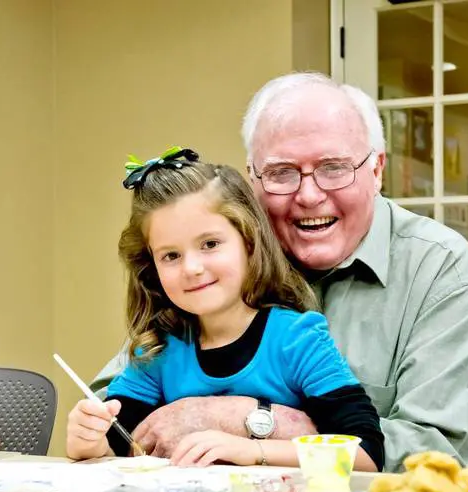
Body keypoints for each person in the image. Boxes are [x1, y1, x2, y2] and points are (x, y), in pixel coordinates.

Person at [90, 73, 468, 472]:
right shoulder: (221, 263)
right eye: (282, 172)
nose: (308, 195)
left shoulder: (443, 271)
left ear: (376, 171)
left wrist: (252, 420)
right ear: (253, 181)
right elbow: (112, 407)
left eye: (334, 167)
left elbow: (438, 456)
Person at [67, 149, 384, 471]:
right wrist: (88, 441)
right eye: (170, 256)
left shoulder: (297, 339)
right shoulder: (158, 348)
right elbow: (114, 445)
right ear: (152, 269)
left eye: (210, 244)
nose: (192, 268)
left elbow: (367, 455)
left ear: (249, 242)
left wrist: (252, 450)